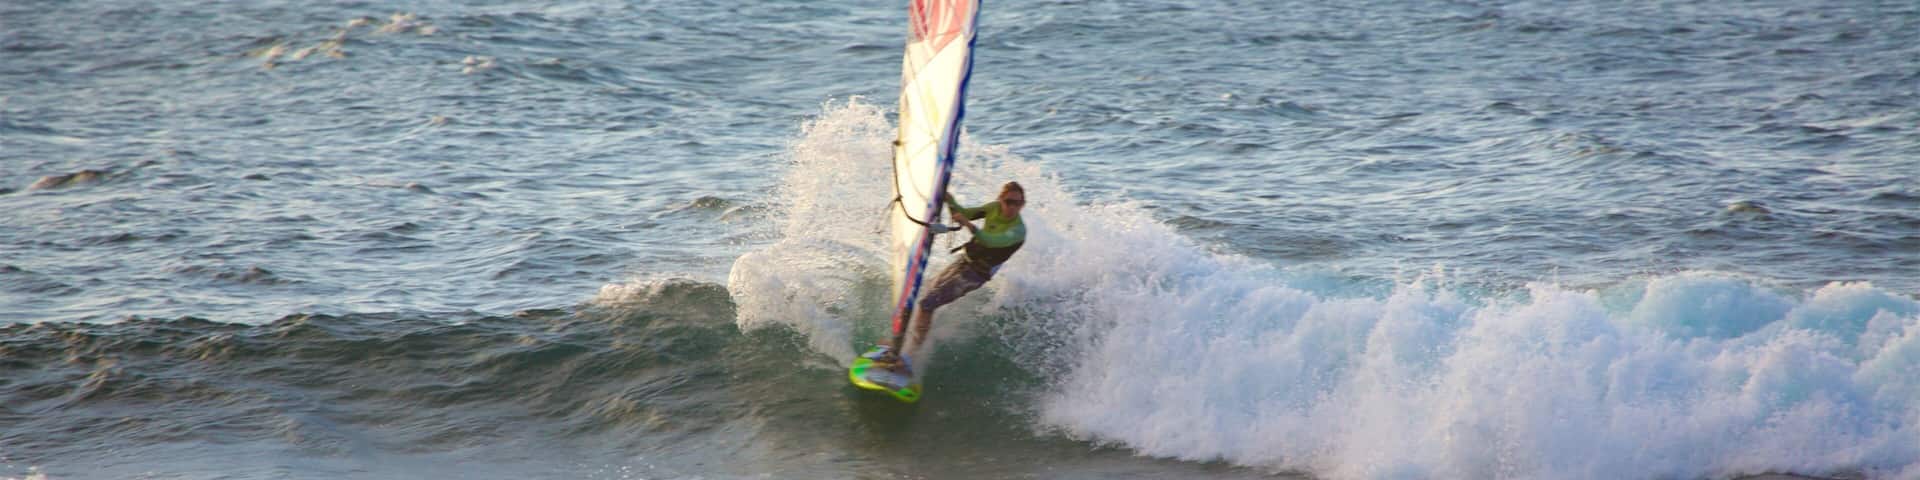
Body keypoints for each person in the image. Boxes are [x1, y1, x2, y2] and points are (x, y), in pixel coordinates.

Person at [882, 181, 1027, 371]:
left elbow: (992, 241)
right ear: (1000, 200)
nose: (1013, 207)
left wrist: (969, 226)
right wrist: (950, 201)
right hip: (965, 260)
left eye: (1018, 203)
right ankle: (903, 341)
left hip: (977, 274)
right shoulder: (993, 208)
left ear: (1023, 204)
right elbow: (965, 214)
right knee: (928, 290)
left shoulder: (1018, 230)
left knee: (927, 303)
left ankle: (910, 356)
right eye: (1009, 201)